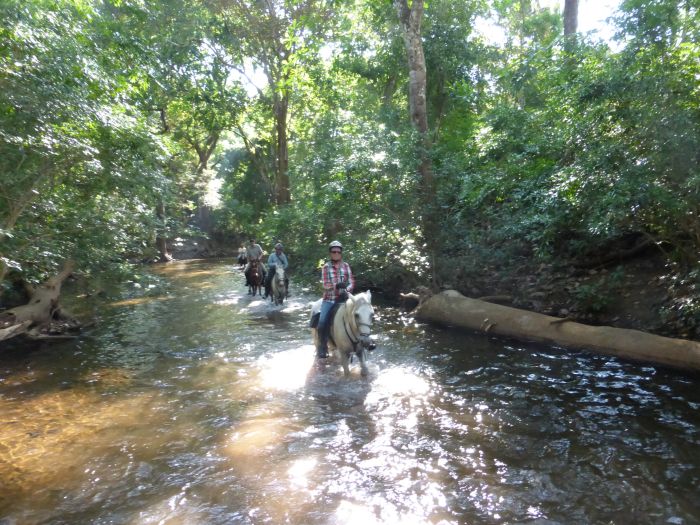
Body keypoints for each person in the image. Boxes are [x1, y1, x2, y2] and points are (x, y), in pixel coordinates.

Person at [316, 240, 355, 359]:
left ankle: (361, 342)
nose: (336, 253)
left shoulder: (346, 266)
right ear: (330, 253)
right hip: (330, 299)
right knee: (322, 322)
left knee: (360, 316)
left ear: (341, 253)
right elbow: (324, 285)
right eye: (334, 251)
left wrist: (347, 289)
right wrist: (336, 286)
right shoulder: (326, 267)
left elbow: (351, 282)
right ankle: (322, 347)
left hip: (344, 298)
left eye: (338, 251)